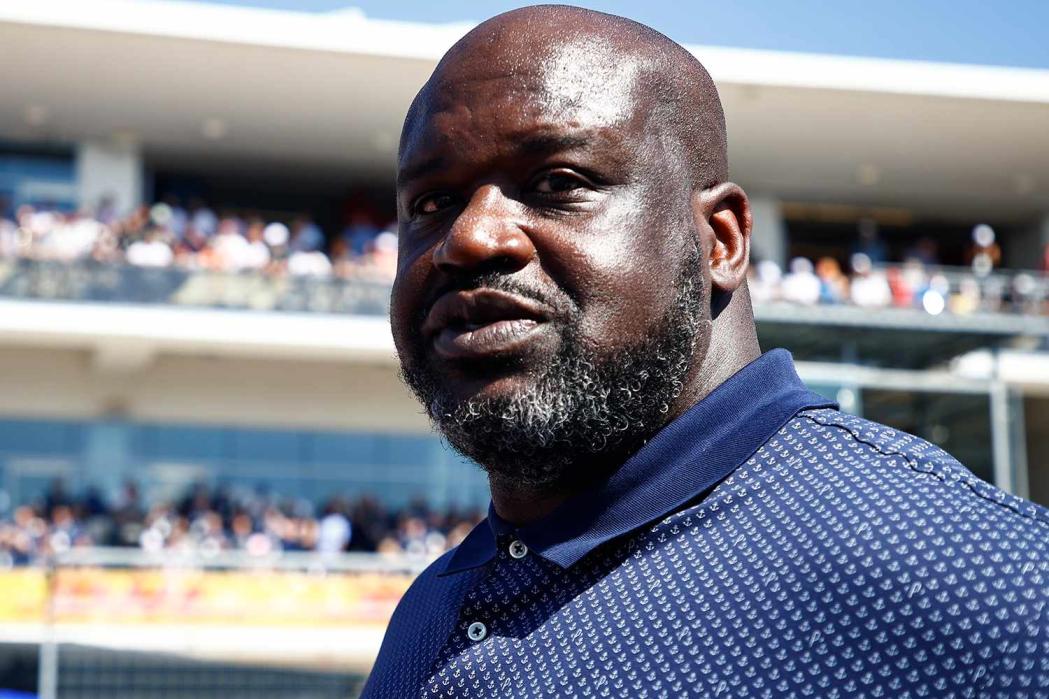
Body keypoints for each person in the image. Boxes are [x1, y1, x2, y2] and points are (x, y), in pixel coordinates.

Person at [365, 7, 1048, 698]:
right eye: (432, 202)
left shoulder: (978, 581)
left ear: (719, 241)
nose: (472, 238)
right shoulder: (428, 611)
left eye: (557, 183)